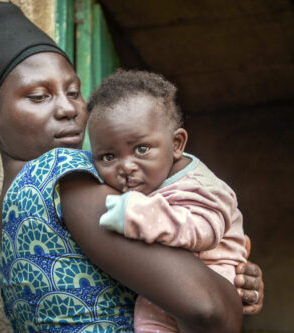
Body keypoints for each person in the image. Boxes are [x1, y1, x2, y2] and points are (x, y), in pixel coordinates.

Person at [0, 2, 263, 332]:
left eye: (73, 91)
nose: (68, 108)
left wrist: (226, 267)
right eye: (39, 96)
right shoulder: (61, 174)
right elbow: (207, 307)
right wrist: (225, 288)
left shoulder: (7, 217)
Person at [86, 70, 248, 332]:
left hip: (212, 279)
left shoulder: (200, 184)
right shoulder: (149, 183)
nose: (126, 166)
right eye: (107, 157)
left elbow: (204, 230)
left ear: (176, 144)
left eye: (141, 149)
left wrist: (137, 214)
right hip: (163, 289)